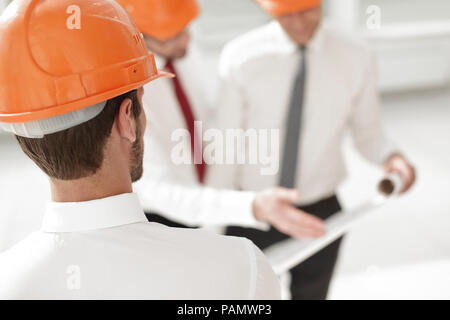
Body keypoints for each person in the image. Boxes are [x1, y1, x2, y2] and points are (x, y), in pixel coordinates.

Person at [0, 0, 280, 299]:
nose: (185, 40)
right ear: (127, 119)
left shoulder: (9, 280)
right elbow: (159, 189)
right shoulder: (241, 267)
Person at [214, 0, 416, 299]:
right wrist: (214, 219)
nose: (298, 23)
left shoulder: (355, 55)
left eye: (307, 10)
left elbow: (368, 131)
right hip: (254, 210)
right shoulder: (241, 57)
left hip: (321, 212)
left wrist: (392, 157)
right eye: (286, 14)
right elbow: (224, 148)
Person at [117, 0, 326, 239]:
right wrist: (250, 206)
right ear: (138, 39)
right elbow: (157, 191)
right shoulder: (133, 97)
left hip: (213, 203)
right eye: (171, 38)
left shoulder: (185, 55)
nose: (186, 41)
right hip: (167, 223)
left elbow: (210, 129)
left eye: (186, 29)